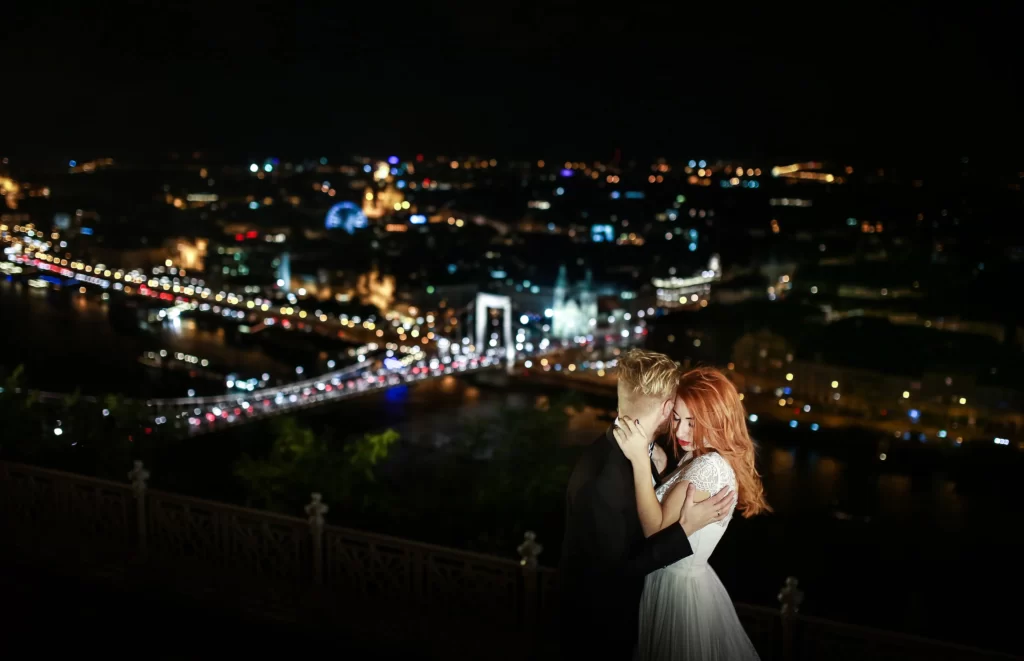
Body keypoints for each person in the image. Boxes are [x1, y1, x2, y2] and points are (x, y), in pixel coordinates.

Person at [560, 350, 735, 660]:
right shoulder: (606, 479)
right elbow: (614, 573)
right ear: (668, 407)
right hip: (604, 631)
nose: (680, 430)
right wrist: (686, 529)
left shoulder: (635, 452)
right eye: (678, 418)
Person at [615, 366, 770, 661]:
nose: (680, 431)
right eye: (676, 419)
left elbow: (655, 530)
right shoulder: (699, 456)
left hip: (677, 591)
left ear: (717, 419)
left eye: (692, 422)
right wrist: (661, 475)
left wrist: (638, 460)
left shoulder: (708, 466)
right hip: (681, 581)